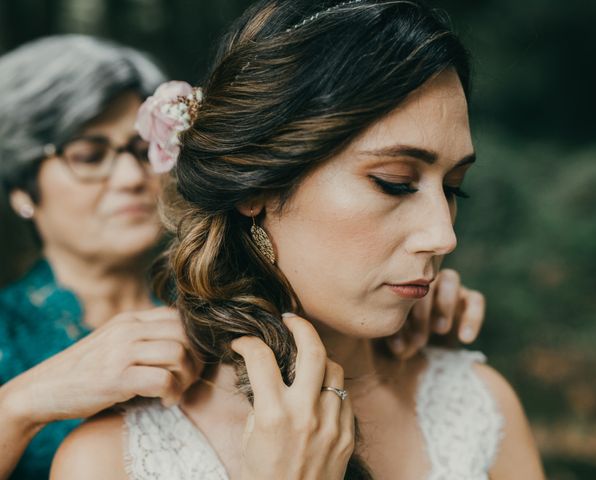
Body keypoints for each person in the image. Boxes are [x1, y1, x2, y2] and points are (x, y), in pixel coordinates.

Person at [51, 0, 546, 478]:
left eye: (454, 187)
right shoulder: (110, 461)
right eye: (394, 182)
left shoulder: (479, 407)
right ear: (258, 185)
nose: (443, 236)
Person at [0, 35, 204, 480]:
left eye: (140, 150)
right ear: (21, 188)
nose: (132, 177)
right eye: (89, 155)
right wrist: (22, 404)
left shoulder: (218, 301)